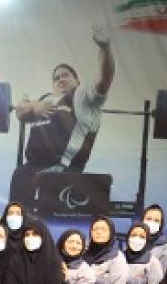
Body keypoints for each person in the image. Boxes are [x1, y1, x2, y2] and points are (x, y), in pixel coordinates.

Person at [9, 23, 115, 201]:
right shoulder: (44, 98)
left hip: (65, 168)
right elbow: (20, 111)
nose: (60, 79)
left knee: (49, 213)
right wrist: (34, 106)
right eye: (56, 77)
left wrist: (105, 48)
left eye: (65, 75)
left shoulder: (82, 95)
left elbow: (105, 78)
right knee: (17, 206)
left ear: (77, 80)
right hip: (31, 167)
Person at [141, 204, 167, 270]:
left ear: (161, 224)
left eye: (156, 220)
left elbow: (163, 274)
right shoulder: (136, 241)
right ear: (142, 221)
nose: (152, 222)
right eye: (149, 219)